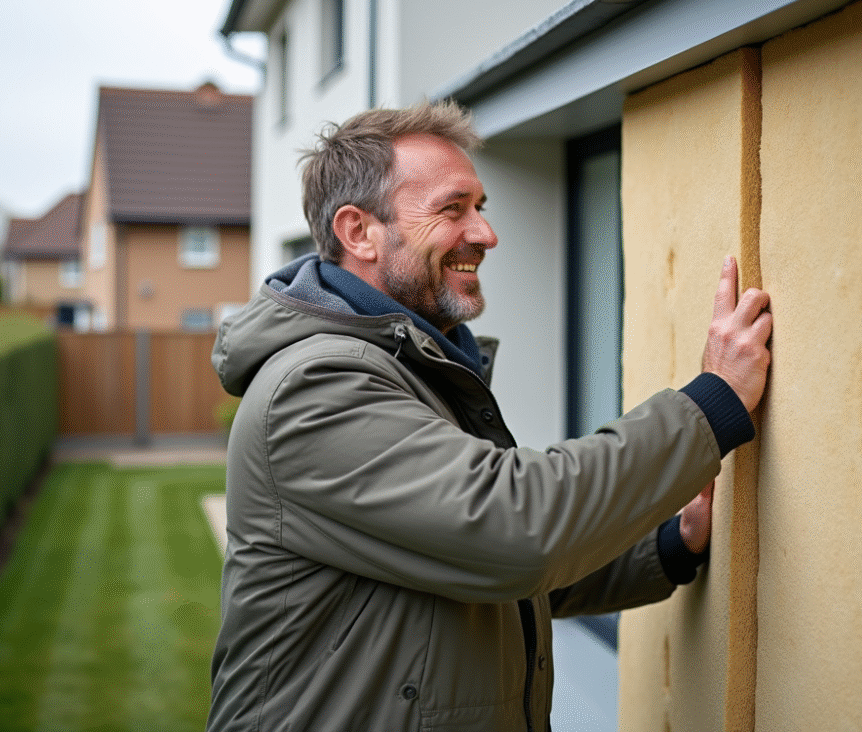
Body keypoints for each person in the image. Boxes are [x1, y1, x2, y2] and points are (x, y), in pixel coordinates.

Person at [207, 101, 772, 731]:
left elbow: (479, 562)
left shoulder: (417, 369)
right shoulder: (315, 388)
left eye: (480, 206)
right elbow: (514, 531)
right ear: (359, 232)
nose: (485, 233)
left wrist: (671, 544)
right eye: (453, 209)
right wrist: (713, 403)